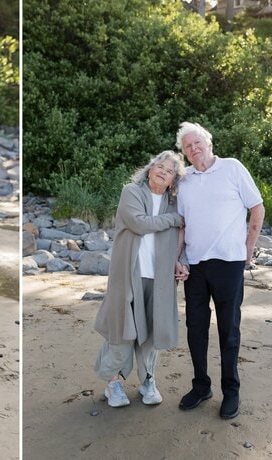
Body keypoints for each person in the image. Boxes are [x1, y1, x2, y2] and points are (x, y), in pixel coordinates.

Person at [174, 122, 264, 420]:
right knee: (195, 329)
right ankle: (201, 386)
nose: (193, 148)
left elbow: (257, 208)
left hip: (229, 263)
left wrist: (248, 249)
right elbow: (182, 225)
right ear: (184, 153)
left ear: (209, 143)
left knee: (229, 331)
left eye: (197, 142)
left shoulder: (232, 168)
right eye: (187, 146)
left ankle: (231, 391)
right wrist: (178, 258)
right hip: (195, 266)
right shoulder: (184, 181)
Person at [93, 151, 186, 407]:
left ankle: (148, 380)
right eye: (159, 165)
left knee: (151, 336)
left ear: (173, 180)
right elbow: (140, 223)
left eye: (169, 171)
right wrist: (173, 220)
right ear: (150, 168)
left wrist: (183, 261)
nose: (162, 171)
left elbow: (184, 237)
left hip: (160, 278)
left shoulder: (174, 202)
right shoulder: (131, 192)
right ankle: (112, 383)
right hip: (129, 275)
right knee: (123, 332)